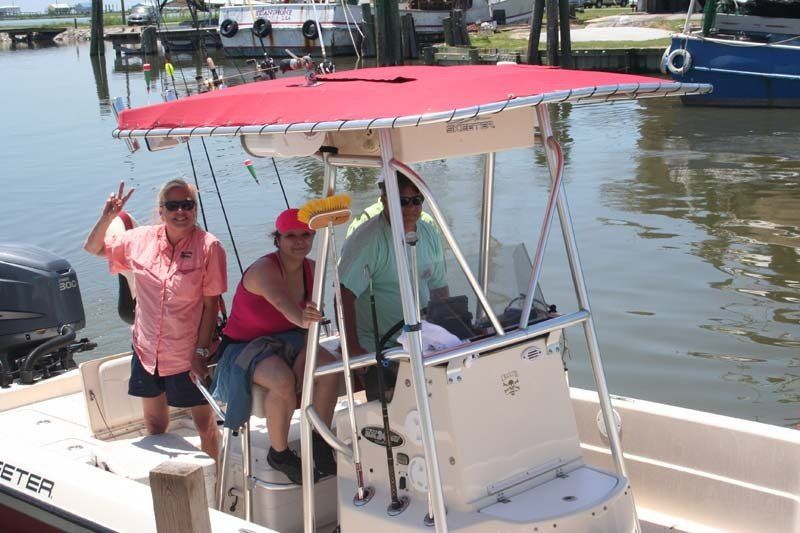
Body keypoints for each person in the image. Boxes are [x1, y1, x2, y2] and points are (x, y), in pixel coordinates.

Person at [84, 179, 227, 462]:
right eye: (172, 205)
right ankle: (168, 489)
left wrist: (200, 352)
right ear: (161, 211)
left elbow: (211, 305)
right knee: (155, 426)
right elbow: (93, 248)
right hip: (146, 351)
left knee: (206, 427)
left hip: (187, 355)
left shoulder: (210, 247)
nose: (180, 211)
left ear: (195, 209)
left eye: (187, 205)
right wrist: (108, 217)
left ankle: (216, 478)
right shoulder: (139, 239)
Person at [212, 208, 339, 484]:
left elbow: (310, 327)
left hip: (292, 339)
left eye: (305, 235)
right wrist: (304, 322)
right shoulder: (263, 270)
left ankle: (320, 440)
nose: (299, 241)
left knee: (331, 368)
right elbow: (286, 307)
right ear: (277, 240)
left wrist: (305, 355)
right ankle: (279, 453)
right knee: (282, 380)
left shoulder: (313, 269)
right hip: (245, 347)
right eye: (290, 236)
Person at [339, 172, 450, 358]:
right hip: (379, 344)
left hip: (424, 338)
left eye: (417, 200)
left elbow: (440, 288)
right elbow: (343, 296)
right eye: (402, 201)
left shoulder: (429, 232)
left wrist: (449, 329)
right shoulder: (367, 240)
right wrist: (352, 348)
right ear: (384, 199)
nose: (411, 208)